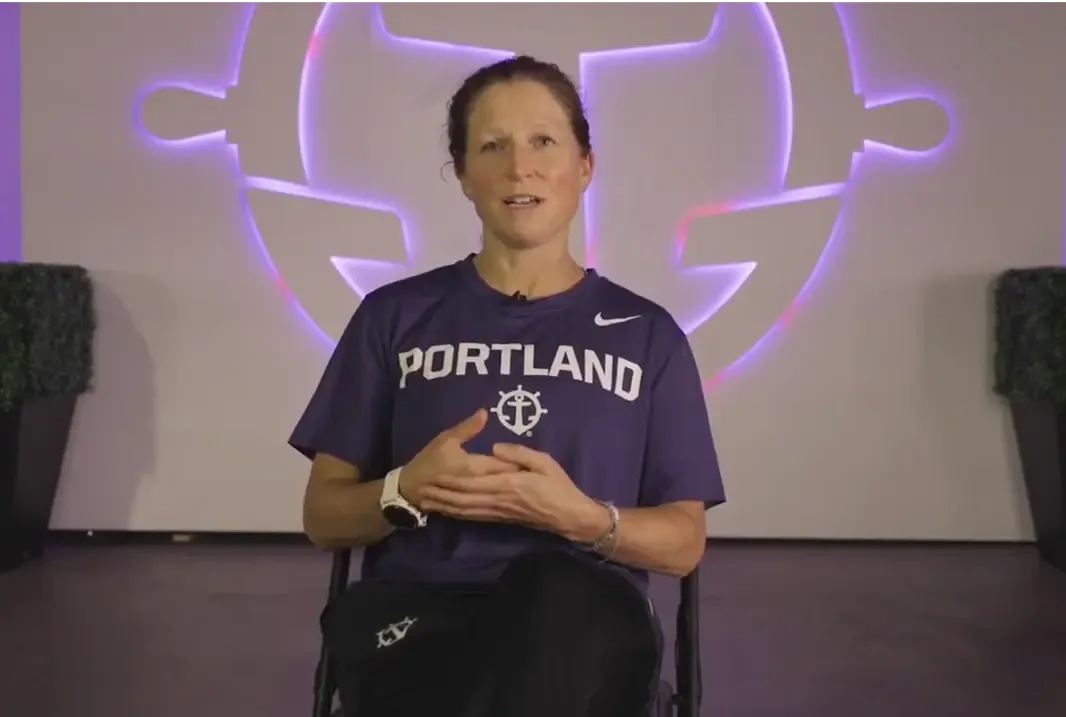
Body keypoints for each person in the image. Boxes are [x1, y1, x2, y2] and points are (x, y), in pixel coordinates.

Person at [289, 55, 725, 717]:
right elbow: (323, 516)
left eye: (543, 141)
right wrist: (402, 489)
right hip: (418, 618)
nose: (520, 167)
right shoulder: (394, 316)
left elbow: (683, 540)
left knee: (554, 595)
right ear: (463, 174)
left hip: (583, 627)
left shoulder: (647, 335)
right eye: (492, 146)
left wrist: (576, 516)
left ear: (585, 165)